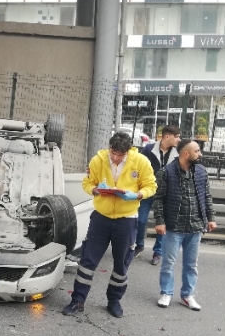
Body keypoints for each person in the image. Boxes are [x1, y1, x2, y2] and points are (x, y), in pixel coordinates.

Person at [62, 132, 157, 319]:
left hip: (127, 218)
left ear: (128, 151)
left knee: (121, 263)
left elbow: (151, 187)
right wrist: (96, 190)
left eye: (120, 155)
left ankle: (114, 301)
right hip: (101, 217)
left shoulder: (141, 162)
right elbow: (87, 183)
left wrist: (135, 195)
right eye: (113, 153)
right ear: (109, 148)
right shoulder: (98, 159)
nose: (115, 158)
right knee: (88, 260)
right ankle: (77, 300)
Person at [152, 139, 216, 310]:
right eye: (197, 151)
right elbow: (158, 199)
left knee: (191, 264)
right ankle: (166, 293)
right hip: (173, 227)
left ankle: (187, 295)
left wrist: (210, 218)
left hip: (195, 227)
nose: (200, 154)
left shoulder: (201, 172)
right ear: (186, 154)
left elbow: (206, 196)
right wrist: (160, 221)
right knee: (168, 263)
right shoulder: (166, 172)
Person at [135, 124, 181, 265]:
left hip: (165, 194)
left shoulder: (178, 153)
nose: (179, 140)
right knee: (141, 219)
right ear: (167, 137)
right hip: (148, 191)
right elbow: (139, 167)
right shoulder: (149, 149)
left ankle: (158, 252)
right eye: (177, 136)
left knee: (162, 223)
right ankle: (139, 245)